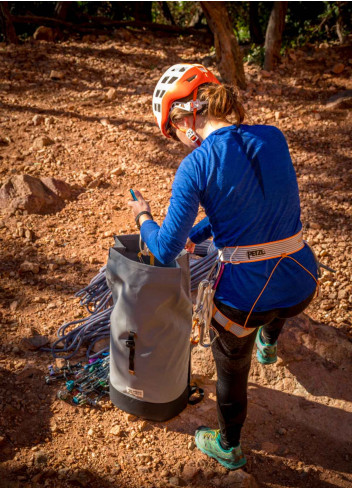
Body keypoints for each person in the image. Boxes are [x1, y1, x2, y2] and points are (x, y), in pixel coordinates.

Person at [128, 63, 318, 470]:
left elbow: (163, 251)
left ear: (188, 116)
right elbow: (247, 206)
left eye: (173, 130)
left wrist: (143, 216)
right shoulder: (273, 137)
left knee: (232, 364)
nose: (179, 141)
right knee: (277, 294)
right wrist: (199, 235)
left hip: (245, 300)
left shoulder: (195, 166)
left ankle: (229, 445)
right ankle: (271, 343)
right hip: (303, 280)